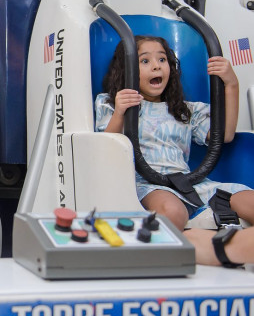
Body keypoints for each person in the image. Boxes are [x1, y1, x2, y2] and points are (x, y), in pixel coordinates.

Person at [95, 35, 254, 231]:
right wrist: (120, 112)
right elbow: (108, 150)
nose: (156, 66)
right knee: (172, 211)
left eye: (162, 59)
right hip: (148, 184)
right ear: (127, 70)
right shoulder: (112, 103)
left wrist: (231, 84)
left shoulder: (184, 110)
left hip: (190, 183)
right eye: (145, 61)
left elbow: (225, 135)